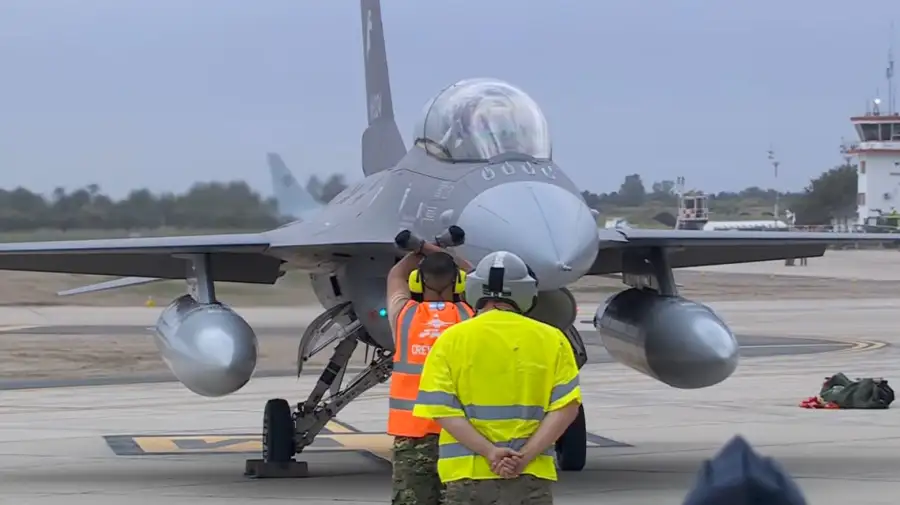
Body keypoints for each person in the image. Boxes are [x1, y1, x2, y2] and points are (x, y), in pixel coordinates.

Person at [412, 251, 583, 505]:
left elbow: (441, 409)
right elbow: (566, 407)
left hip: (467, 475)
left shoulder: (450, 340)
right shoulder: (553, 339)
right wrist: (525, 457)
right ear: (527, 292)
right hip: (530, 475)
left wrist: (490, 452)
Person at [386, 241, 474, 505]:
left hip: (411, 433)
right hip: (461, 435)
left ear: (417, 281)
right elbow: (479, 275)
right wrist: (441, 250)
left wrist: (419, 249)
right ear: (458, 282)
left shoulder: (404, 316)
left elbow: (396, 275)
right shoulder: (470, 317)